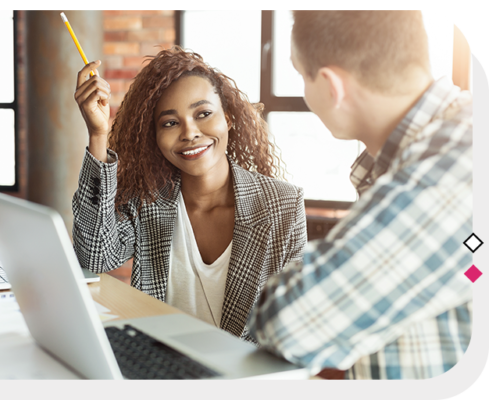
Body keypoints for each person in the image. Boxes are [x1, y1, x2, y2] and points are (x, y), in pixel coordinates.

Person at [248, 10, 473, 379]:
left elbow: (289, 322)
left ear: (331, 86)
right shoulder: (427, 152)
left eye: (301, 75)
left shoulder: (454, 168)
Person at [72, 46, 307, 343]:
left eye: (203, 114)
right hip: (160, 369)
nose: (189, 132)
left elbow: (295, 324)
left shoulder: (283, 205)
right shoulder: (148, 199)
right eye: (170, 122)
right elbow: (93, 259)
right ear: (154, 137)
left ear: (229, 118)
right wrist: (97, 134)